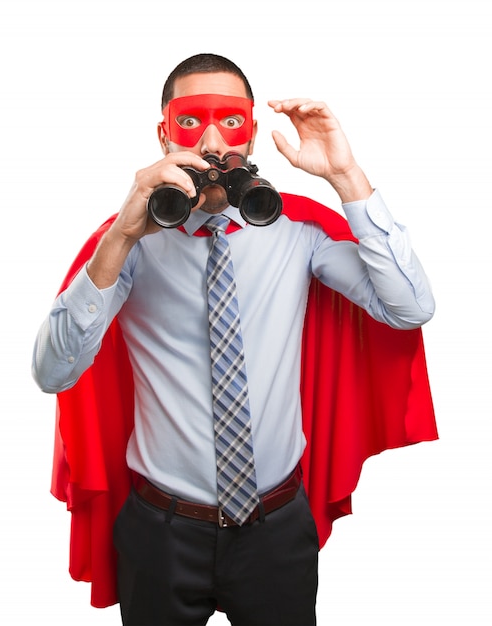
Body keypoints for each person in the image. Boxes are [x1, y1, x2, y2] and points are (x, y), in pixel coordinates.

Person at [32, 53, 437, 625]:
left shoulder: (299, 233)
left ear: (251, 133)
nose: (215, 142)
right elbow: (54, 373)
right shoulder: (129, 244)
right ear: (165, 133)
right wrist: (122, 234)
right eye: (193, 122)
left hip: (276, 529)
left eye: (232, 122)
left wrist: (347, 176)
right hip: (161, 531)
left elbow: (411, 308)